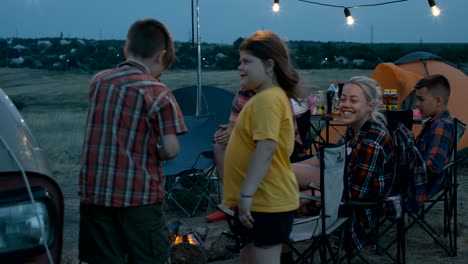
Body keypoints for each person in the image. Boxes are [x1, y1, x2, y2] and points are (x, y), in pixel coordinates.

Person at [78, 19, 187, 264]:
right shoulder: (159, 93)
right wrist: (156, 151)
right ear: (161, 56)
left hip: (95, 195)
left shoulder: (99, 81)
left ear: (127, 49)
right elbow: (170, 149)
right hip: (139, 199)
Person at [222, 30, 300, 264]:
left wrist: (246, 193)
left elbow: (266, 147)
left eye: (246, 61)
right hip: (259, 201)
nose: (240, 67)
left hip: (267, 202)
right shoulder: (264, 97)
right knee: (248, 257)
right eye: (239, 62)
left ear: (268, 65)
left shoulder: (268, 99)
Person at [339, 76, 395, 255]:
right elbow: (331, 158)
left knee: (290, 195)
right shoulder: (355, 129)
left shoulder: (372, 141)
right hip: (344, 191)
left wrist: (313, 193)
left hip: (362, 209)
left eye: (353, 100)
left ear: (370, 106)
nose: (345, 104)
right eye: (342, 99)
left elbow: (356, 194)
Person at [413, 74, 454, 200]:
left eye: (421, 99)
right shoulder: (435, 122)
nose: (417, 105)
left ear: (438, 100)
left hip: (421, 186)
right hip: (419, 181)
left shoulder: (441, 125)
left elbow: (432, 166)